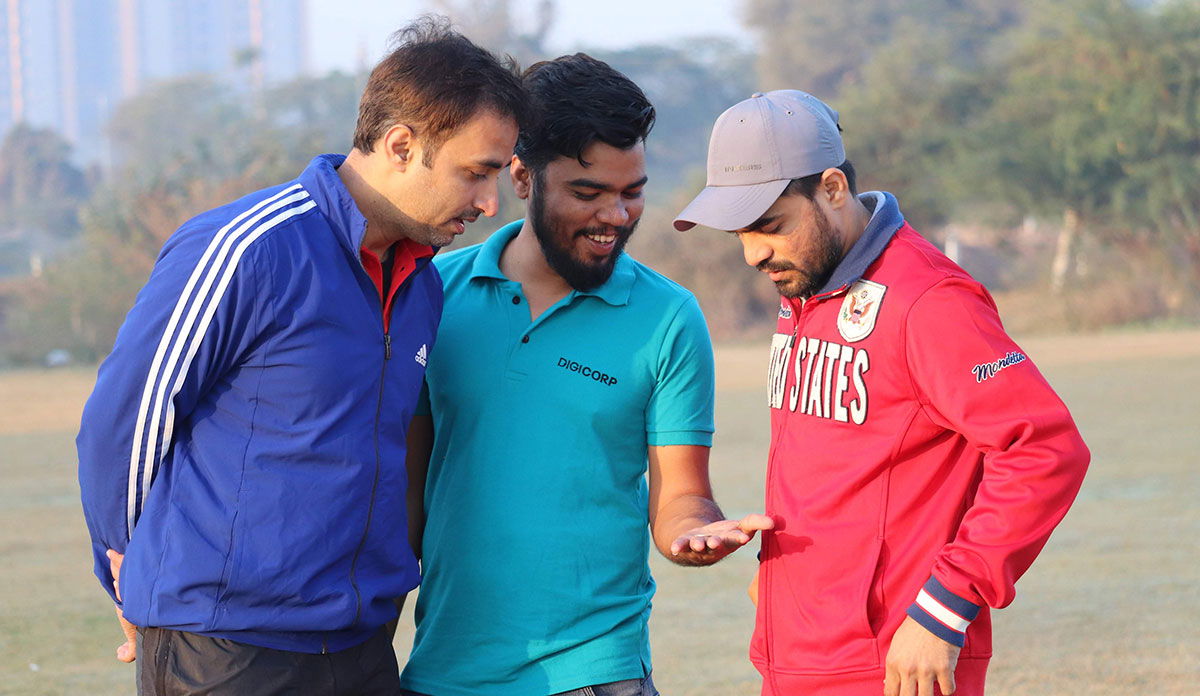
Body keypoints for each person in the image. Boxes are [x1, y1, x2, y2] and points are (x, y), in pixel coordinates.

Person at [76, 19, 529, 695]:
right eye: (477, 173)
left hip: (361, 645)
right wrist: (125, 570)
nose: (490, 203)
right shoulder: (246, 248)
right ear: (400, 145)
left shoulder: (422, 284)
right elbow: (125, 425)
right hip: (225, 648)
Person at [673, 90, 1090, 696]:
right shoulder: (807, 283)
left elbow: (1043, 450)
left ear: (832, 189)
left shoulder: (928, 299)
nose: (753, 253)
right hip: (798, 651)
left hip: (895, 662)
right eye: (740, 232)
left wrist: (945, 608)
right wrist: (786, 575)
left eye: (770, 226)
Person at [398, 54, 772, 696]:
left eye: (632, 192)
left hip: (596, 673)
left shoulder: (669, 317)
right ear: (523, 175)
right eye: (588, 193)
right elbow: (404, 499)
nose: (617, 216)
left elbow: (682, 497)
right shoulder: (433, 293)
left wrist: (692, 533)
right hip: (444, 671)